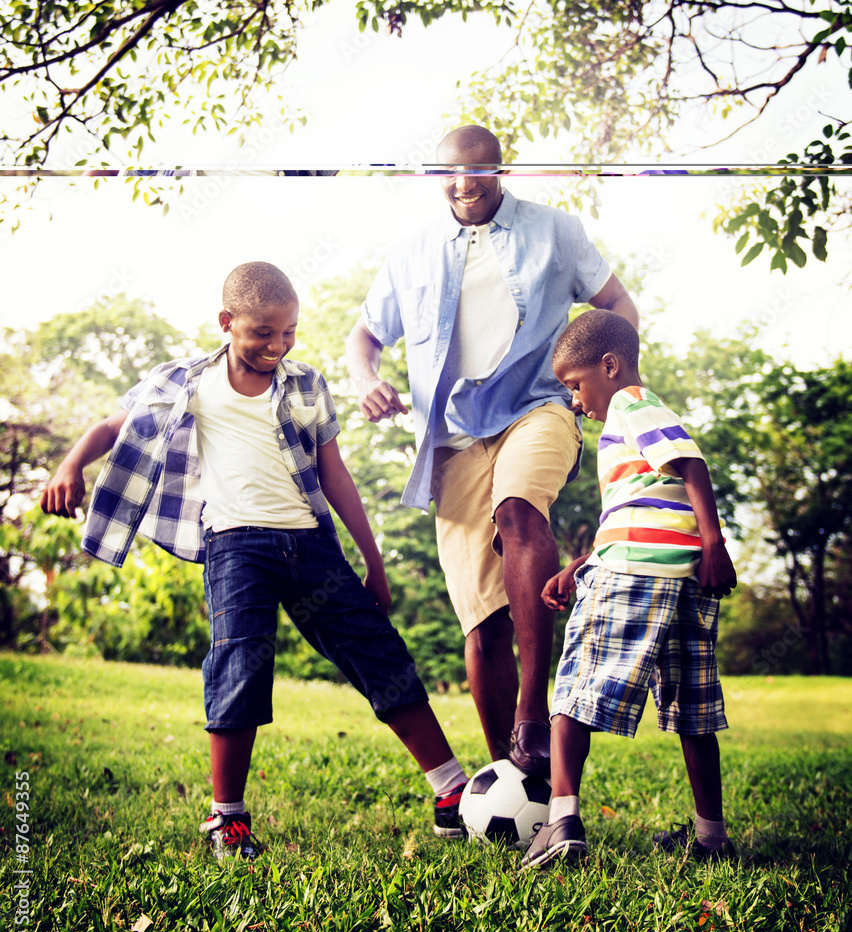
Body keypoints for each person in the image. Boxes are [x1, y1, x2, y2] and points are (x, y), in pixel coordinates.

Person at [40, 261, 469, 859]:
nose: (277, 345)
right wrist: (67, 466)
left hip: (308, 542)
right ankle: (229, 818)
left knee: (377, 648)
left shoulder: (305, 385)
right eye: (262, 332)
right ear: (227, 322)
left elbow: (334, 474)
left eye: (288, 332)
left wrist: (371, 559)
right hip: (235, 544)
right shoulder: (185, 383)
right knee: (239, 664)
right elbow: (113, 427)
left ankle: (451, 789)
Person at [346, 124, 639, 776]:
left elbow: (616, 302)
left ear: (501, 170)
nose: (463, 185)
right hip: (451, 439)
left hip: (537, 409)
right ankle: (513, 778)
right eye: (451, 173)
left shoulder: (555, 231)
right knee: (483, 624)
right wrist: (367, 382)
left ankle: (534, 711)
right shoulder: (412, 251)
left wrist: (612, 384)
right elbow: (363, 339)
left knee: (519, 510)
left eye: (478, 172)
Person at [520, 309, 738, 870]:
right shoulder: (629, 426)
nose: (574, 401)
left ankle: (562, 820)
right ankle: (711, 838)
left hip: (634, 578)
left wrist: (715, 542)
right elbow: (633, 512)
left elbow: (691, 462)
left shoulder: (631, 403)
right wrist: (578, 565)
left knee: (572, 691)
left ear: (609, 367)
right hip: (679, 581)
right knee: (695, 711)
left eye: (574, 384)